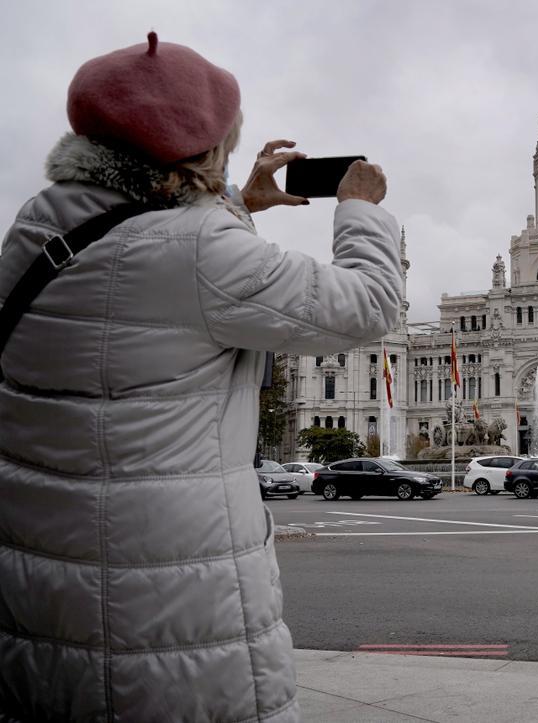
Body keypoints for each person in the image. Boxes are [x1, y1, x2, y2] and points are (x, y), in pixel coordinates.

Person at [0, 33, 405, 721]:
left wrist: (233, 205)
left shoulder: (38, 228)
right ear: (207, 149)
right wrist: (360, 207)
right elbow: (370, 303)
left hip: (37, 592)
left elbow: (145, 270)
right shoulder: (199, 254)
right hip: (167, 613)